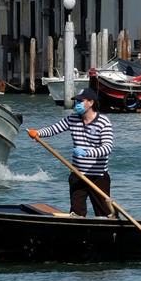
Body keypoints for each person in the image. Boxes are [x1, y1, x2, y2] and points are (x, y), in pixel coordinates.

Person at [28, 88, 114, 218]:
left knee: (104, 214)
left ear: (91, 102)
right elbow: (54, 129)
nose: (77, 104)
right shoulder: (73, 119)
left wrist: (87, 152)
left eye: (80, 101)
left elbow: (107, 148)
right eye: (76, 101)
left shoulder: (103, 122)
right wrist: (38, 133)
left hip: (98, 177)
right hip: (77, 174)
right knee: (76, 214)